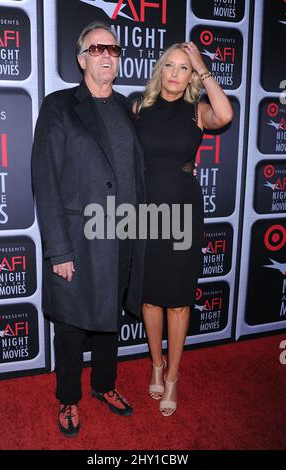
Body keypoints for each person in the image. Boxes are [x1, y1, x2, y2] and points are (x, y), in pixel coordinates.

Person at [32, 22, 145, 437]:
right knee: (71, 325)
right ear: (81, 59)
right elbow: (44, 179)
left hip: (123, 239)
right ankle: (68, 398)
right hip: (78, 241)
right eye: (97, 48)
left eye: (114, 49)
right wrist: (58, 251)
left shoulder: (127, 109)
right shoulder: (59, 106)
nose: (107, 55)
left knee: (108, 320)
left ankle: (104, 385)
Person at [134, 42, 233, 416]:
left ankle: (173, 375)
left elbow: (224, 115)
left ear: (192, 75)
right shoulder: (138, 108)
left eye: (184, 68)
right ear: (160, 70)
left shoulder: (197, 112)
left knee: (177, 301)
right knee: (148, 298)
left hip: (182, 213)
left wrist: (202, 65)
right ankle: (156, 364)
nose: (176, 73)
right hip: (144, 214)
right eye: (170, 66)